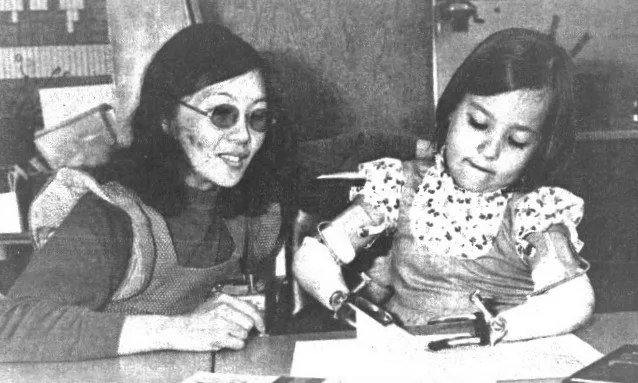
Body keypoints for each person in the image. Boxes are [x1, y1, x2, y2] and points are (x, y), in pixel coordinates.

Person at [293, 28, 595, 345]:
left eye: (517, 141)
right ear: (451, 109)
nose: (490, 150)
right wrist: (343, 302)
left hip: (495, 365)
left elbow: (575, 301)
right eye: (478, 123)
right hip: (405, 361)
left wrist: (491, 329)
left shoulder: (532, 212)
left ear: (540, 149)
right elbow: (313, 255)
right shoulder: (399, 184)